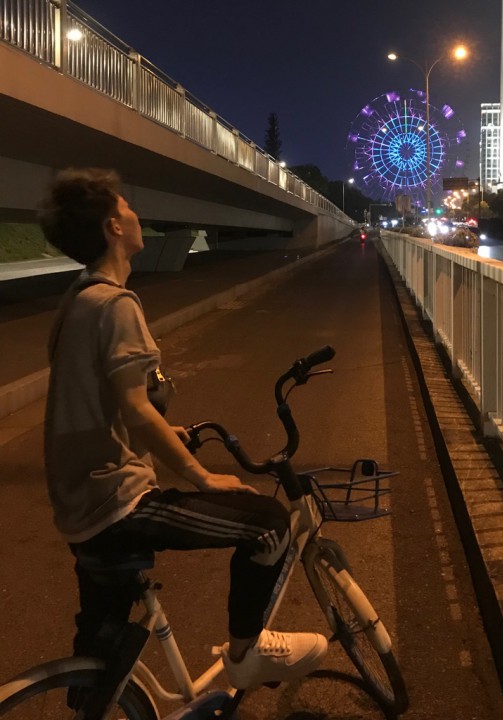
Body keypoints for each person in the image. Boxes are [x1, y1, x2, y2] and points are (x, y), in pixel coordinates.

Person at [40, 167, 327, 690]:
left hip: (77, 504)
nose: (135, 213)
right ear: (113, 227)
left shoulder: (77, 300)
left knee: (102, 655)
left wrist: (159, 431)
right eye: (126, 206)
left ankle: (93, 701)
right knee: (268, 523)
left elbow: (102, 402)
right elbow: (135, 408)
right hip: (116, 502)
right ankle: (246, 653)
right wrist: (202, 476)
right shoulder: (116, 304)